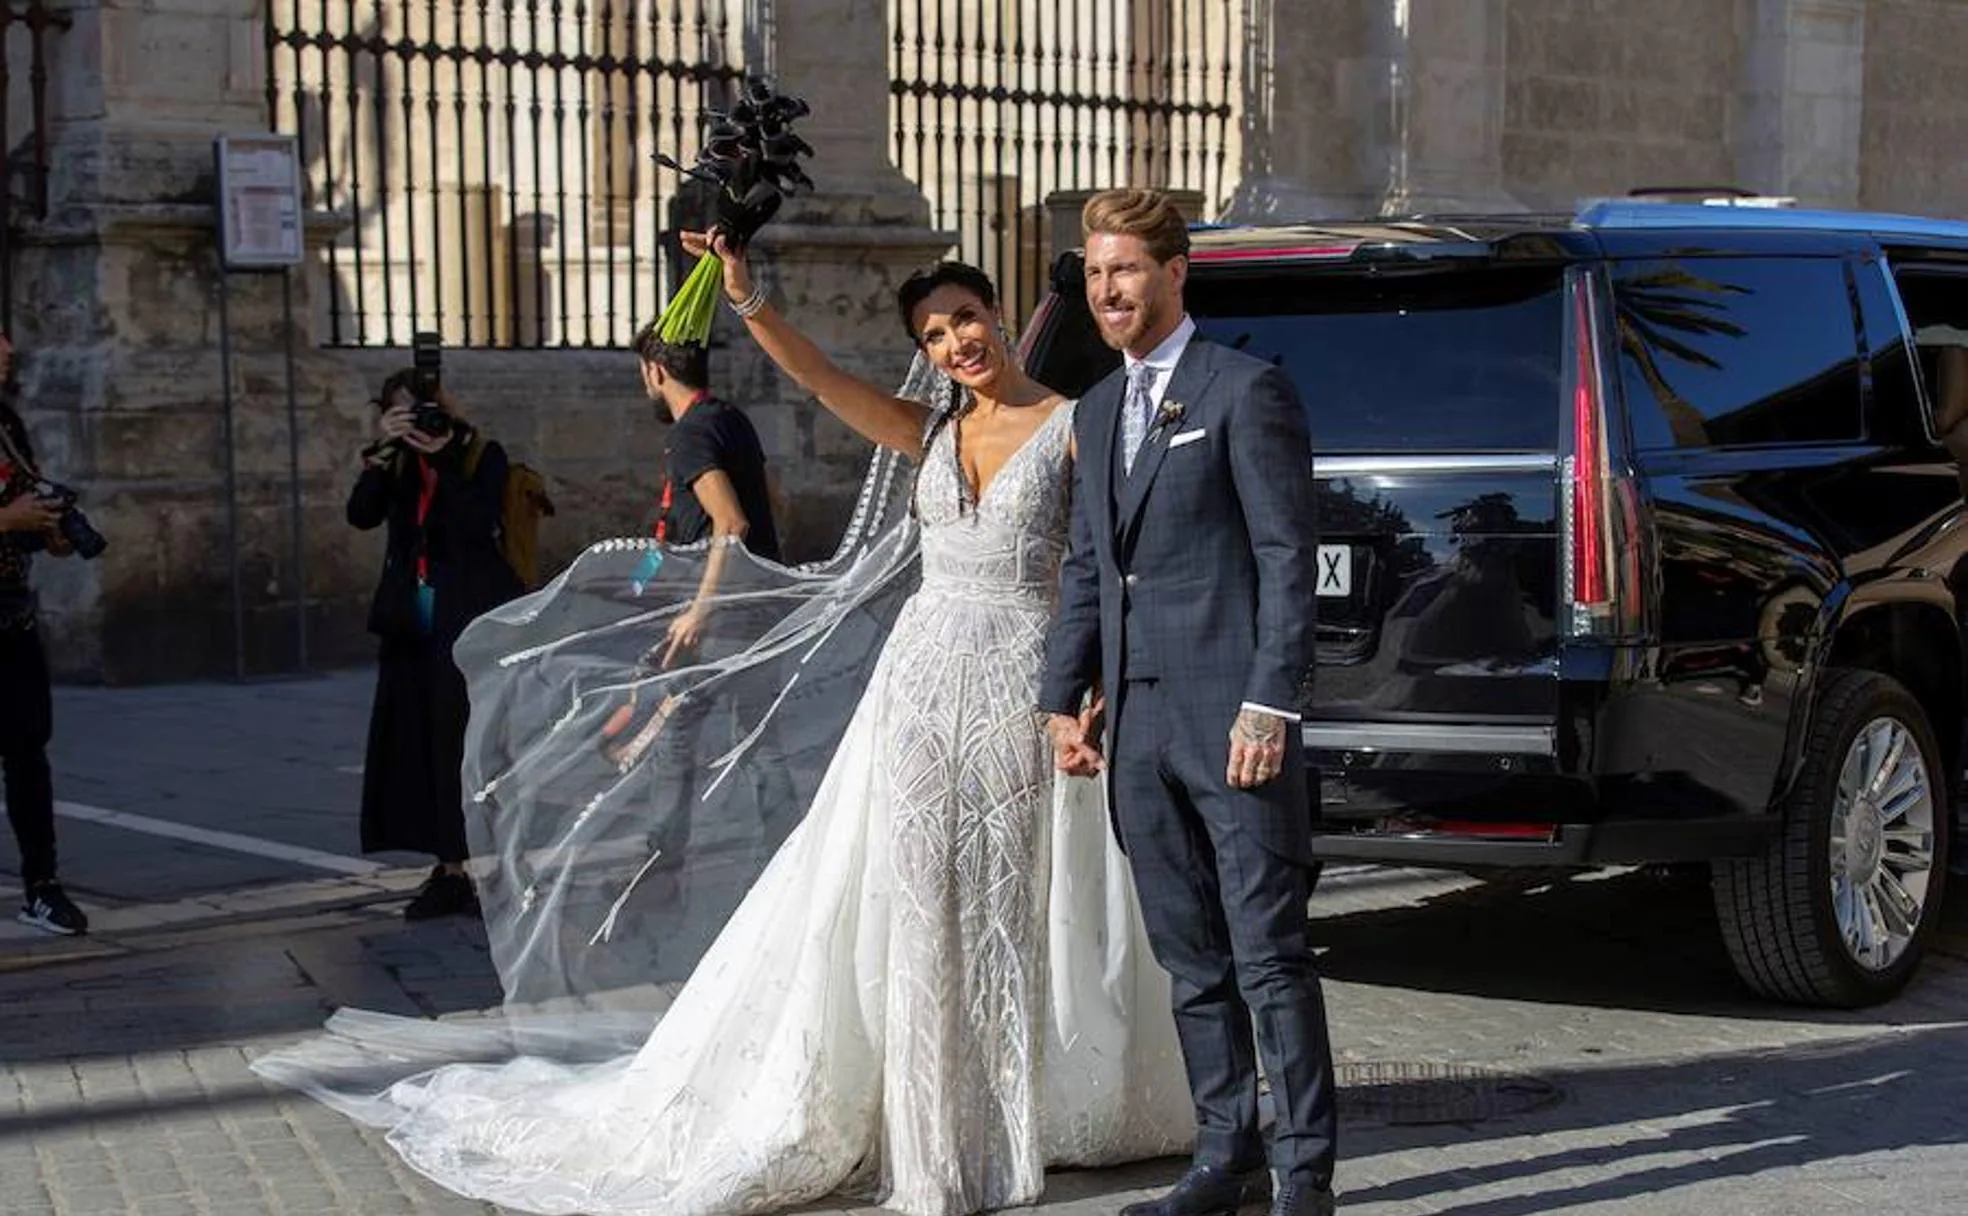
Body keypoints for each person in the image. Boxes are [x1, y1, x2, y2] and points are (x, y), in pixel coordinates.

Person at [252, 234, 1194, 1216]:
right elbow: (822, 377)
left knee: (1012, 899)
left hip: (1022, 681)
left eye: (965, 317)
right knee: (916, 902)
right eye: (933, 330)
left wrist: (1091, 683)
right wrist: (749, 301)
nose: (955, 340)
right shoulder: (927, 428)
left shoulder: (1077, 423)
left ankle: (1015, 1116)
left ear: (998, 313)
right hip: (921, 681)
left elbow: (1110, 564)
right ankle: (934, 1145)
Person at [1040, 189, 1339, 1216]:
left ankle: (1305, 1181)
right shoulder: (1093, 409)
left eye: (1124, 270)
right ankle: (1227, 1156)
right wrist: (1064, 696)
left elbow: (1285, 558)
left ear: (1175, 273)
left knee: (1268, 956)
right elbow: (1089, 565)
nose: (1107, 290)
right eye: (1093, 274)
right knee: (1190, 958)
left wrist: (1272, 703)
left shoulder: (1244, 390)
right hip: (1137, 727)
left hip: (1232, 721)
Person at [348, 372, 521, 920]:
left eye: (424, 412)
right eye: (403, 415)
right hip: (409, 623)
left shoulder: (481, 456)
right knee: (417, 744)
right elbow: (361, 514)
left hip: (464, 620)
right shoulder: (392, 460)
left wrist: (444, 457)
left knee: (462, 745)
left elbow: (475, 524)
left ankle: (474, 866)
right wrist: (381, 452)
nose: (418, 426)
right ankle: (447, 867)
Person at [0, 332, 88, 936]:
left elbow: (23, 505)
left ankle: (42, 886)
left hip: (10, 615)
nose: (7, 348)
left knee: (28, 752)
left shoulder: (6, 422)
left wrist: (48, 532)